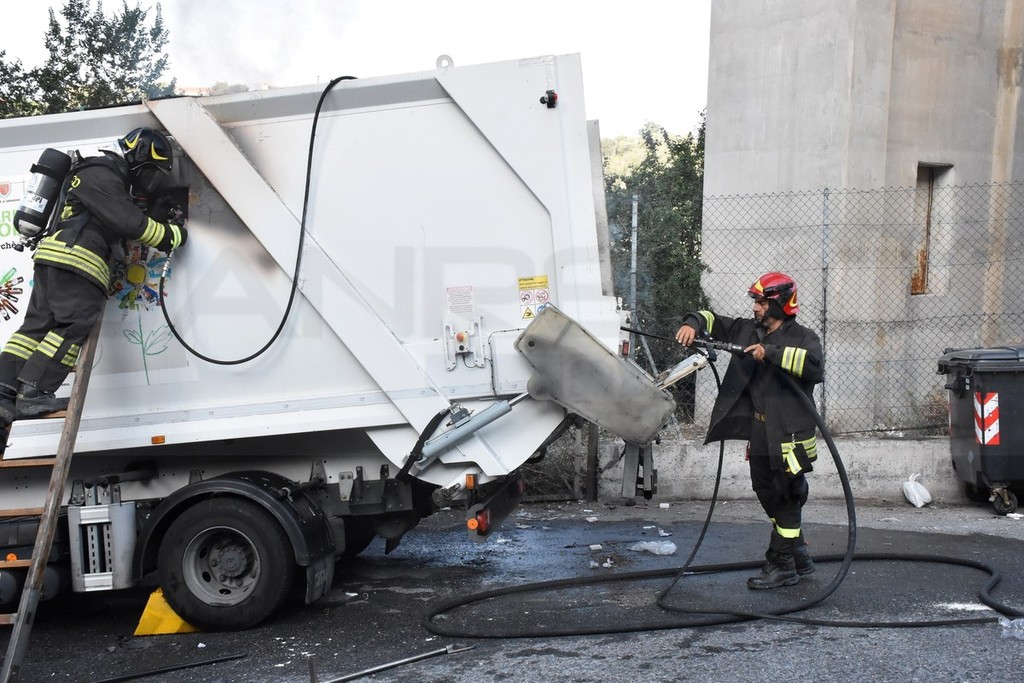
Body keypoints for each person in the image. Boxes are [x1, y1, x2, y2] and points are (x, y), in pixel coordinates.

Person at [0, 127, 188, 426]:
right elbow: (132, 224)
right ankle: (35, 392)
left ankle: (4, 390)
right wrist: (172, 235)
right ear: (138, 156)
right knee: (73, 324)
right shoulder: (102, 173)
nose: (149, 180)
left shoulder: (95, 174)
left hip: (56, 258)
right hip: (77, 259)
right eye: (150, 171)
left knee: (36, 328)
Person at [675, 272, 823, 589]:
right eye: (755, 302)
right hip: (760, 431)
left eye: (762, 302)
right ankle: (797, 552)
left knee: (786, 495)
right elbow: (712, 320)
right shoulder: (747, 330)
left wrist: (770, 353)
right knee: (765, 490)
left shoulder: (804, 337)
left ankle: (781, 564)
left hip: (791, 437)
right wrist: (692, 324)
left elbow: (814, 367)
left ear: (780, 303)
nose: (756, 307)